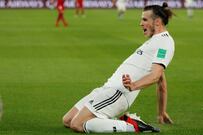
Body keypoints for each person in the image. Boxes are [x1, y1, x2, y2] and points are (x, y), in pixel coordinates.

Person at [63, 2, 175, 133]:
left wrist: (133, 85)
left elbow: (155, 75)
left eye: (144, 19)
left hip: (119, 93)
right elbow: (161, 82)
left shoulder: (164, 42)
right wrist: (162, 113)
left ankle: (131, 125)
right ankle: (119, 121)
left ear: (157, 22)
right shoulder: (155, 41)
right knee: (67, 120)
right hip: (108, 89)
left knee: (77, 124)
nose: (141, 23)